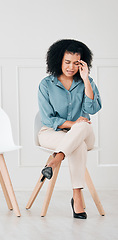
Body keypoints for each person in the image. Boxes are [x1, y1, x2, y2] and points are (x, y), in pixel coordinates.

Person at [38, 39, 101, 219]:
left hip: (84, 132)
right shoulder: (46, 84)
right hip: (52, 133)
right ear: (58, 60)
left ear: (83, 63)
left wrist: (86, 79)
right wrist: (73, 124)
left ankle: (55, 161)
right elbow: (48, 119)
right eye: (67, 62)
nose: (71, 67)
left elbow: (92, 109)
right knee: (77, 145)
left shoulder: (85, 82)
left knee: (82, 127)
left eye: (76, 63)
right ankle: (77, 196)